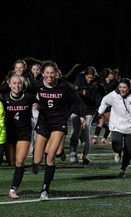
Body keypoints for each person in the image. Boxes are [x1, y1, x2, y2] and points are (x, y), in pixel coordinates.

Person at [32, 60, 86, 200]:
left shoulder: (64, 86)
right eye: (47, 73)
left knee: (51, 155)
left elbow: (77, 101)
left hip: (58, 122)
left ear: (56, 74)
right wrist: (35, 103)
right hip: (43, 122)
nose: (50, 76)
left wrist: (81, 115)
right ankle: (38, 163)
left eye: (52, 73)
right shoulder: (37, 84)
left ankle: (45, 190)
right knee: (37, 159)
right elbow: (28, 95)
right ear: (43, 74)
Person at [98, 78, 131, 178]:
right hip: (116, 126)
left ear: (129, 88)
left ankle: (123, 169)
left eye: (124, 87)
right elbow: (104, 101)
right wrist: (100, 112)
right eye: (120, 87)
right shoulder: (113, 95)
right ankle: (118, 152)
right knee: (116, 145)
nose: (122, 89)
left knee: (129, 150)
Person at [2, 74, 38, 198]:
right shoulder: (4, 99)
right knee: (12, 162)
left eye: (19, 83)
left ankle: (13, 189)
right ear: (9, 84)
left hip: (24, 133)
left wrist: (38, 106)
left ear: (22, 85)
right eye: (14, 83)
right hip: (10, 134)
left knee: (19, 161)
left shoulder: (29, 97)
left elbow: (41, 105)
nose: (17, 85)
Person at [69, 66, 102, 164]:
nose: (89, 80)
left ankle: (85, 155)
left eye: (91, 78)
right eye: (88, 77)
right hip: (77, 109)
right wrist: (80, 93)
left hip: (89, 110)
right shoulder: (79, 79)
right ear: (85, 75)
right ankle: (72, 152)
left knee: (86, 131)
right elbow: (72, 93)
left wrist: (97, 106)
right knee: (75, 131)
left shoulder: (98, 83)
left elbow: (101, 97)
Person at [92, 68, 120, 144]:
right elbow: (107, 89)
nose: (110, 77)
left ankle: (94, 139)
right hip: (104, 104)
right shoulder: (112, 82)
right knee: (112, 122)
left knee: (101, 122)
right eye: (109, 75)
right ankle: (104, 139)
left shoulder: (104, 81)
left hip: (99, 104)